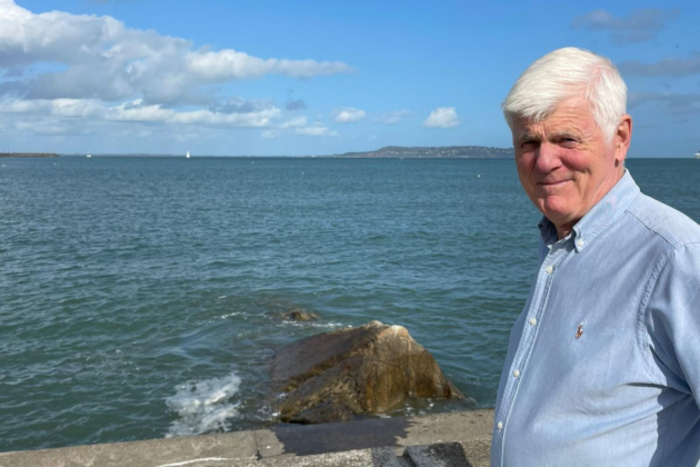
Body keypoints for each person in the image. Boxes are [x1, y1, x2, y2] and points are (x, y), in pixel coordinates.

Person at [492, 47, 700, 466]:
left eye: (566, 138)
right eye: (528, 142)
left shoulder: (676, 255)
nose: (544, 161)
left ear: (619, 137)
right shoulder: (558, 244)